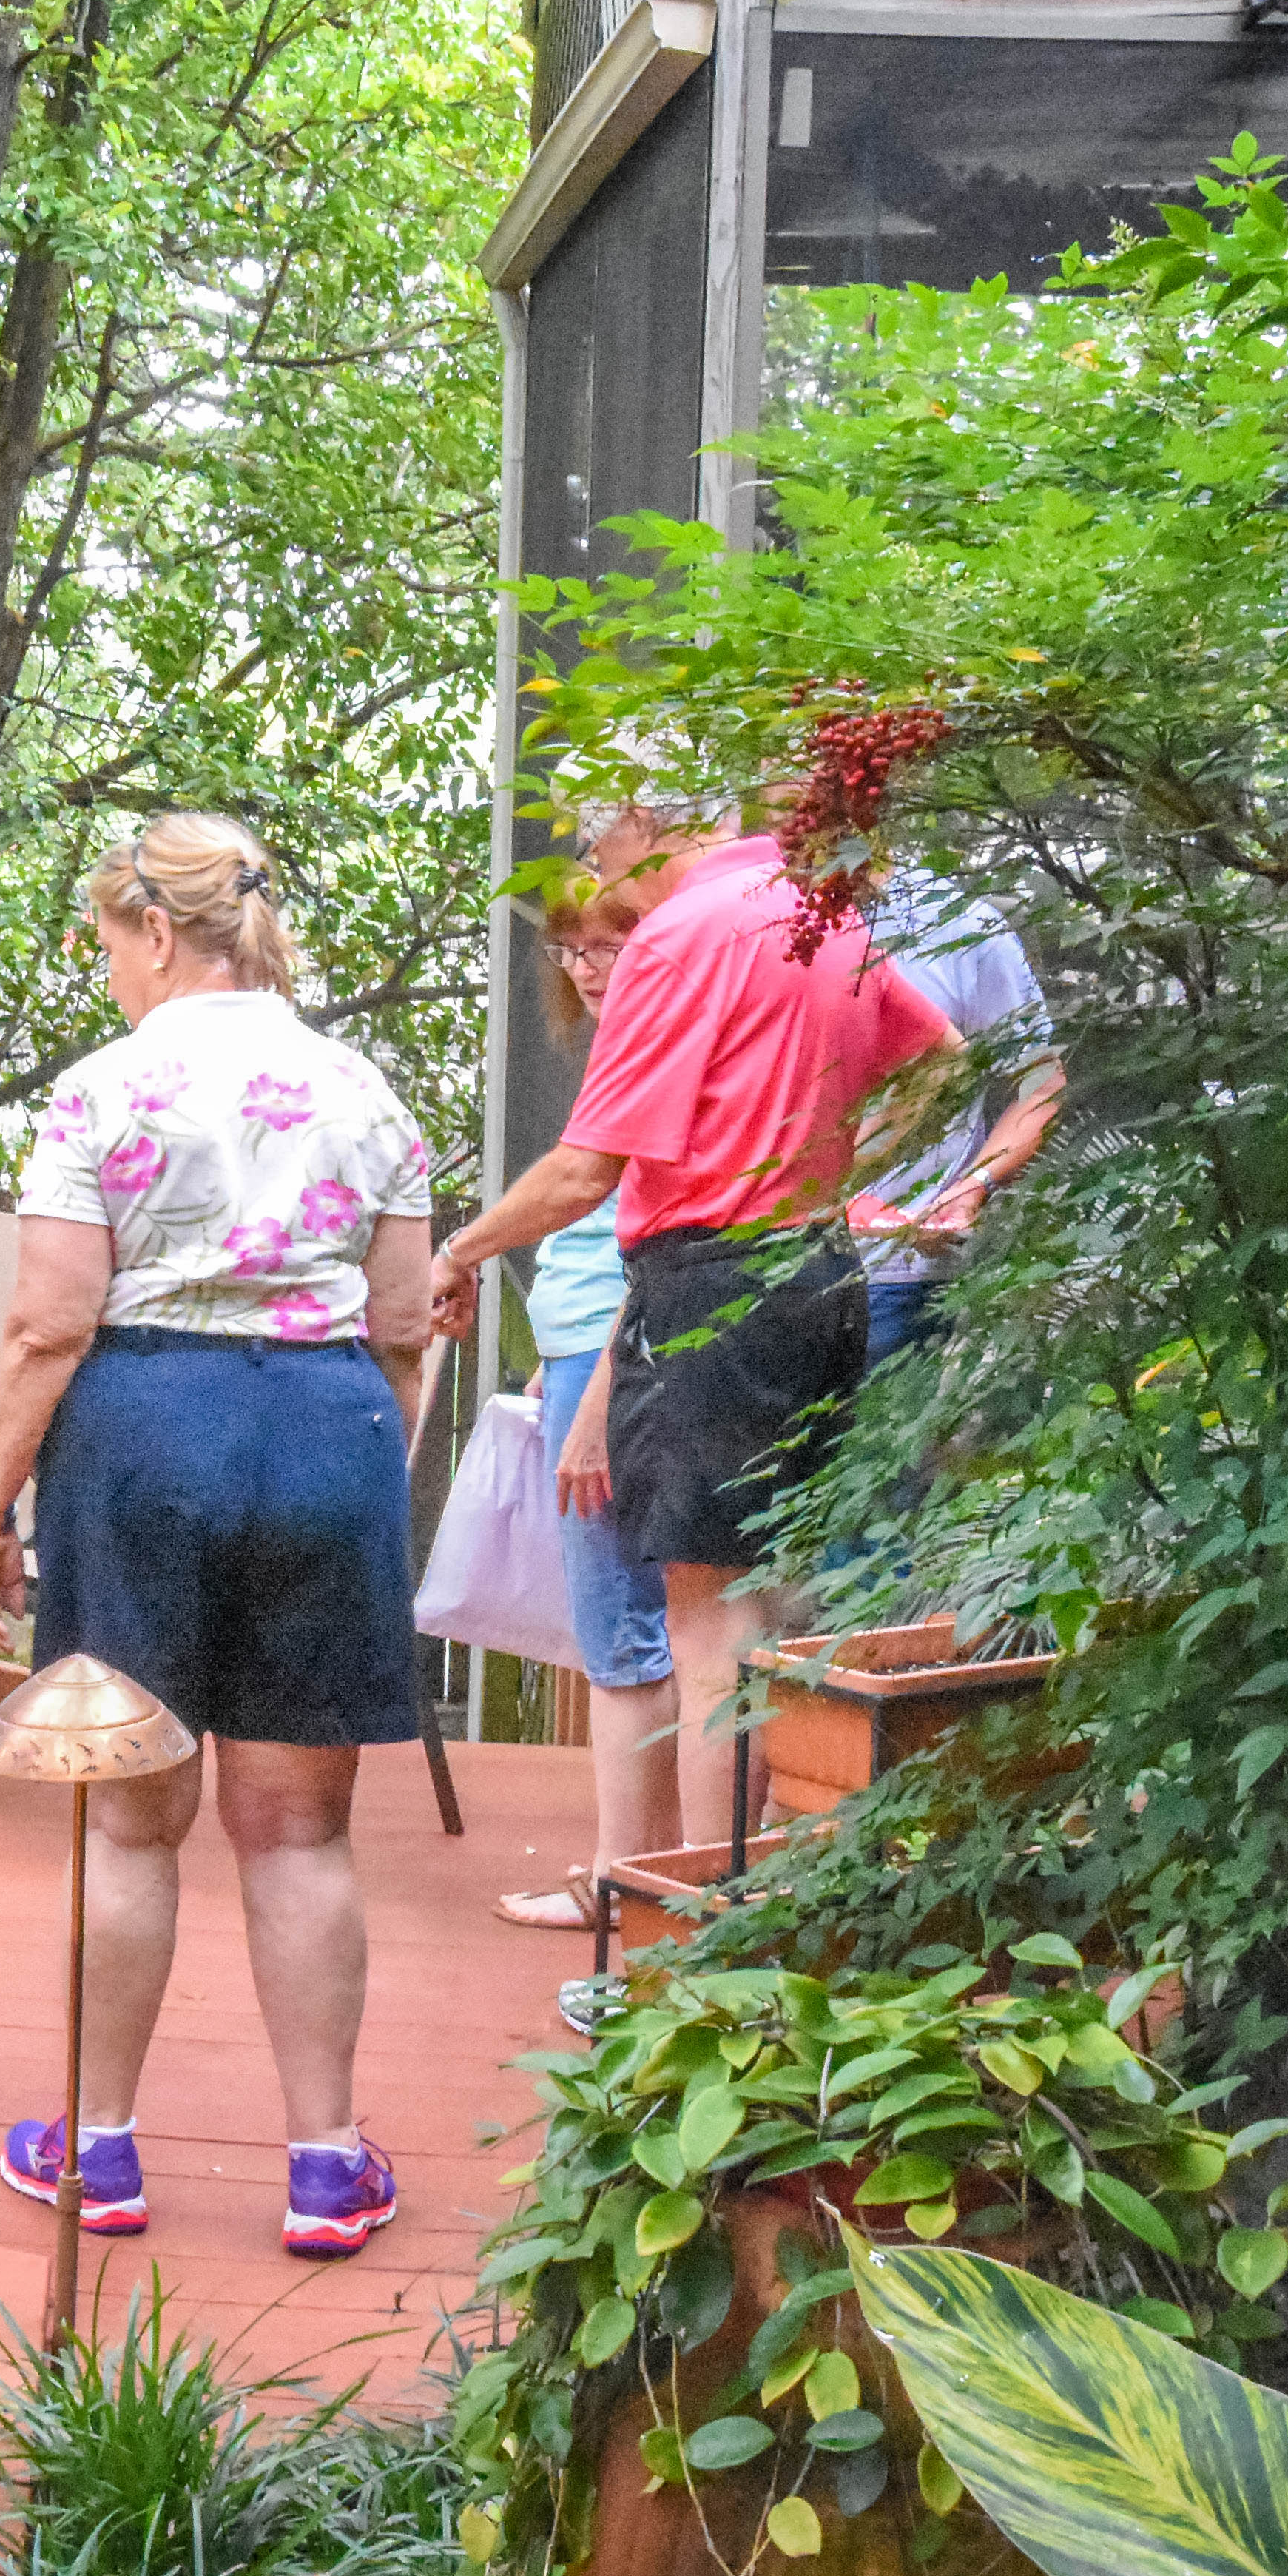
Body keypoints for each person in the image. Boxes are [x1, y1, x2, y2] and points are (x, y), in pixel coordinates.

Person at [0, 813, 436, 2261]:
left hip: (143, 1437)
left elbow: (49, 1324)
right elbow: (404, 1328)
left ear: (159, 932)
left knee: (129, 1815)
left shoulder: (102, 1091)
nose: (112, 971)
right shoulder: (366, 1090)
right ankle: (325, 2166)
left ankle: (99, 2148)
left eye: (113, 943)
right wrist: (365, 1476)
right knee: (300, 1829)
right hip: (326, 1430)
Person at [425, 796, 965, 1852]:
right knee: (773, 1597)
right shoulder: (817, 910)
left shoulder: (682, 932)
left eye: (595, 845)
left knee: (711, 1625)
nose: (595, 869)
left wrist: (462, 1249)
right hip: (820, 1273)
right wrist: (839, 1170)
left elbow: (586, 1169)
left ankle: (706, 1912)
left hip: (715, 1287)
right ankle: (744, 1889)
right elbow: (943, 1060)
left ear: (644, 822)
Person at [490, 884, 677, 1934]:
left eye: (611, 945)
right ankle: (645, 1870)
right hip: (584, 1349)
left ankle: (624, 1881)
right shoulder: (624, 1046)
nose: (588, 970)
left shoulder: (660, 1049)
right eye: (572, 950)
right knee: (641, 1624)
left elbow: (655, 1245)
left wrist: (600, 1389)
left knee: (625, 1632)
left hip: (618, 1359)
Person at [840, 866, 1062, 1363]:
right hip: (753, 1259)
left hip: (898, 1272)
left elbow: (1040, 1088)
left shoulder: (959, 923)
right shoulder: (757, 914)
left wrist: (972, 1187)